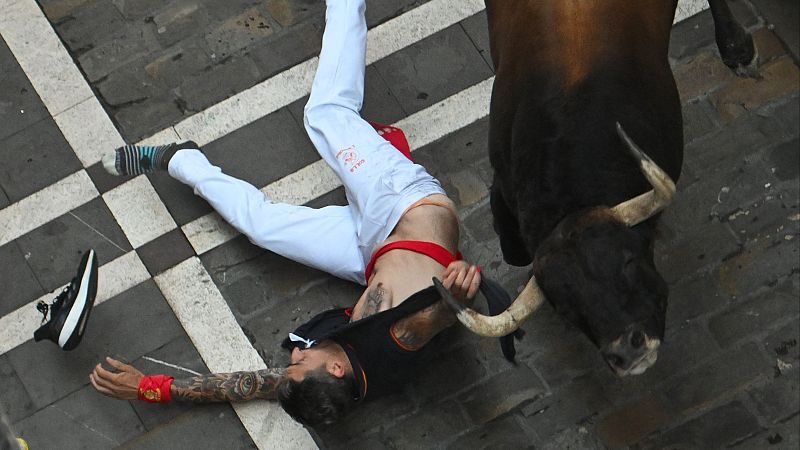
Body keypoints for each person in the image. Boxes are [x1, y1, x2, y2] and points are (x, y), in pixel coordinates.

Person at [88, 0, 490, 426]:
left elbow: (248, 384)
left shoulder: (337, 379)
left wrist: (150, 387)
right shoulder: (397, 339)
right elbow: (435, 320)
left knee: (262, 227)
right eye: (300, 361)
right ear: (334, 369)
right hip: (403, 206)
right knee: (325, 113)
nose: (295, 353)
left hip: (371, 254)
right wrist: (456, 300)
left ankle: (179, 159)